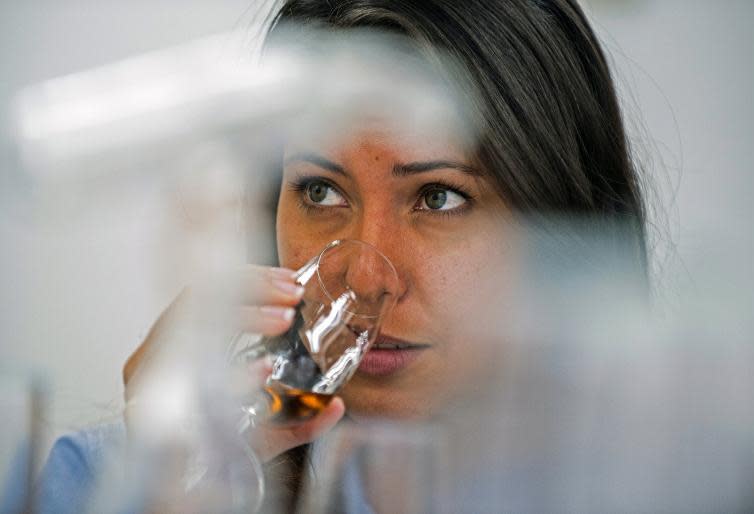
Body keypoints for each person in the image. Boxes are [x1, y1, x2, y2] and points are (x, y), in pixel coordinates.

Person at [35, 1, 647, 512]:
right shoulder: (100, 487)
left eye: (438, 198)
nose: (363, 275)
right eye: (319, 191)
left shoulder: (678, 485)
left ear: (567, 224)